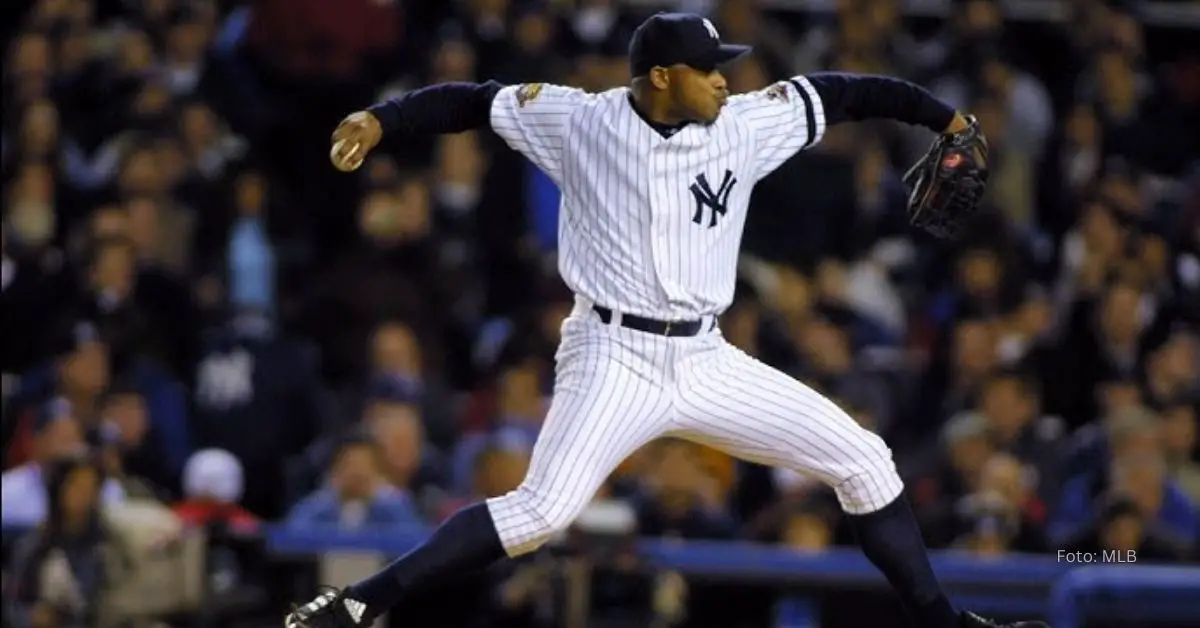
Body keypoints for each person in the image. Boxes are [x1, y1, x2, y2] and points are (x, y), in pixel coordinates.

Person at [289, 12, 1043, 628]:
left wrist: (946, 119)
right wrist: (380, 120)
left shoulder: (744, 124)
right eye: (709, 68)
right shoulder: (578, 120)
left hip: (707, 358)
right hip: (611, 354)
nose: (725, 78)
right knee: (540, 512)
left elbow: (848, 92)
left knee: (866, 463)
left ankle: (945, 624)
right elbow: (471, 101)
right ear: (660, 77)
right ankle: (360, 602)